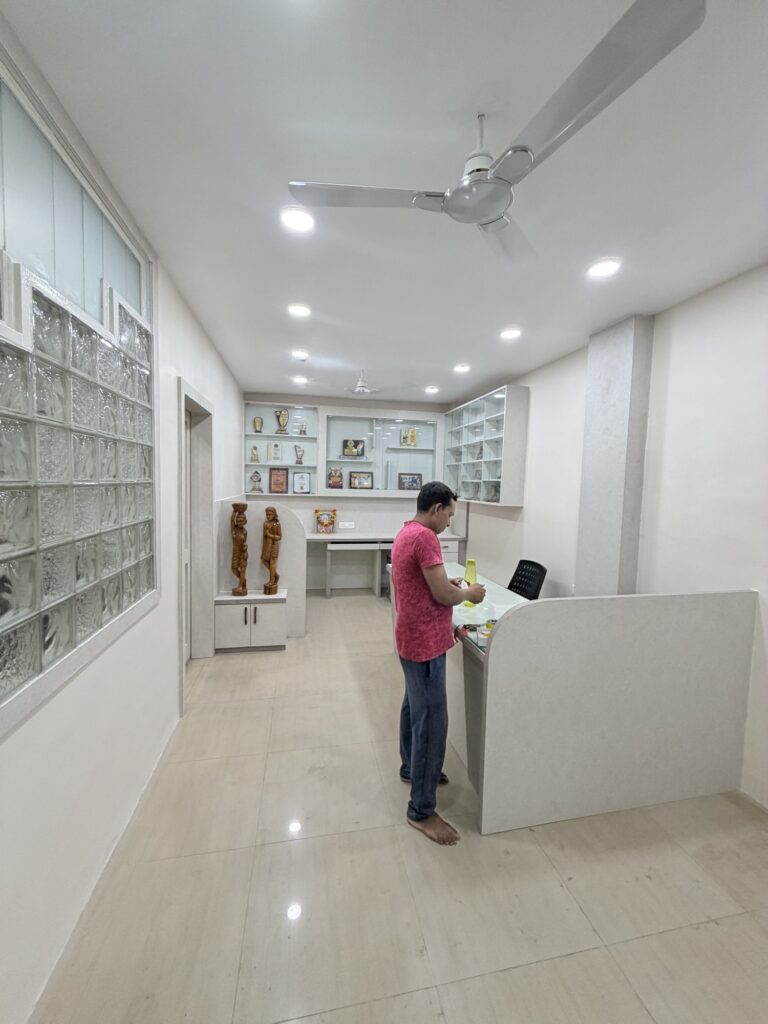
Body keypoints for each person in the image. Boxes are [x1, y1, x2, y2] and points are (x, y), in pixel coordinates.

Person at [391, 481, 486, 845]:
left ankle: (411, 768)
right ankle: (421, 810)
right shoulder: (426, 538)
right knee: (432, 724)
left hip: (409, 638)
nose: (449, 521)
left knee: (413, 709)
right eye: (449, 514)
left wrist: (450, 583)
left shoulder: (406, 532)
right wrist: (468, 593)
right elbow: (443, 594)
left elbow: (426, 583)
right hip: (426, 644)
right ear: (436, 509)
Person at [261, 506, 282, 594]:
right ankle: (276, 575)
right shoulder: (265, 523)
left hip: (274, 545)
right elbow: (264, 538)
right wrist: (263, 551)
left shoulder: (277, 524)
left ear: (274, 514)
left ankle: (271, 580)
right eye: (267, 514)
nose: (268, 516)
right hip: (267, 545)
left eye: (270, 514)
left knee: (272, 562)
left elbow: (279, 537)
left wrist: (270, 535)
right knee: (264, 561)